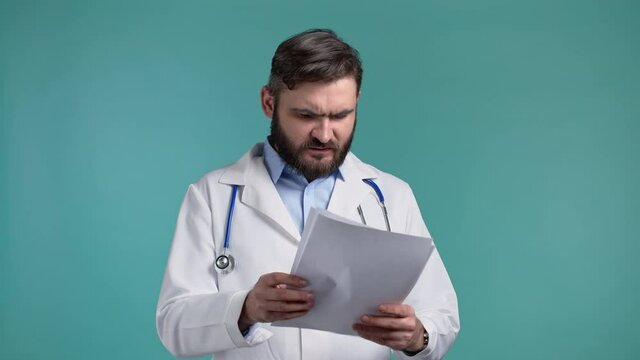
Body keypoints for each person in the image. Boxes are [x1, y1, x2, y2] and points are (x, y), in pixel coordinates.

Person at [156, 29, 459, 360]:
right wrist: (246, 308)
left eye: (341, 115)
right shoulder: (212, 197)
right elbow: (174, 326)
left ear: (356, 102)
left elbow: (441, 318)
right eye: (306, 115)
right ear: (269, 103)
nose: (325, 134)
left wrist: (416, 335)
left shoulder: (391, 196)